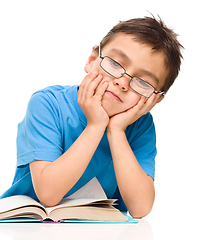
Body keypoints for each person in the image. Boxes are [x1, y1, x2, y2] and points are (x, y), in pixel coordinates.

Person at [0, 16, 183, 218]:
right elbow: (48, 194)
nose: (122, 82)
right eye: (115, 63)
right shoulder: (47, 103)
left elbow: (140, 208)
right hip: (28, 225)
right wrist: (96, 126)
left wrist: (116, 130)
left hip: (96, 228)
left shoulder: (141, 126)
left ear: (154, 100)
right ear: (91, 60)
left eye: (143, 82)